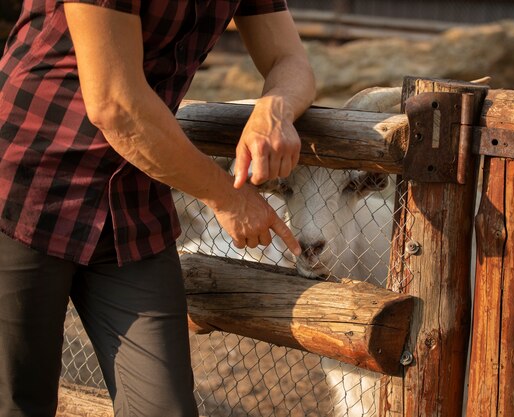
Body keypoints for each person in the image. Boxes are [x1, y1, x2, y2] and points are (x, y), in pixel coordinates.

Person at [0, 0, 316, 416]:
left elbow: (290, 58)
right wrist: (226, 196)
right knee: (18, 403)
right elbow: (114, 103)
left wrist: (274, 108)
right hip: (26, 185)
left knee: (165, 408)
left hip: (133, 199)